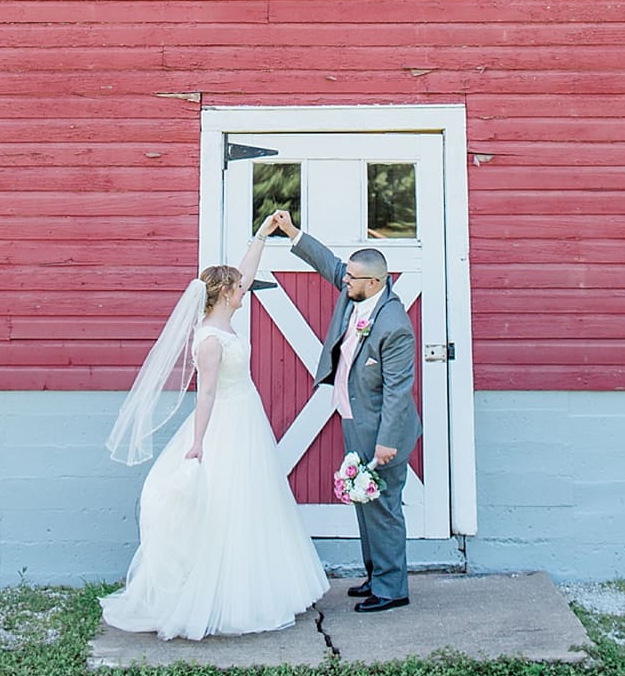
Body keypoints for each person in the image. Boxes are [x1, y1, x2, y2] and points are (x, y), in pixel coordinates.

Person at [101, 213, 329, 639]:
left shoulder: (224, 322)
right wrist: (199, 442)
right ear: (225, 293)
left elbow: (247, 271)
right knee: (229, 504)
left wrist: (263, 234)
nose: (244, 290)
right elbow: (204, 395)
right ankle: (225, 597)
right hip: (226, 424)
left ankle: (259, 589)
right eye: (238, 288)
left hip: (246, 417)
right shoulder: (209, 339)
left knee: (254, 502)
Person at [271, 208, 422, 612]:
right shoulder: (357, 293)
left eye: (352, 278)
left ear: (374, 282)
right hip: (354, 419)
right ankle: (376, 577)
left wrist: (388, 442)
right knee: (365, 500)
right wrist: (292, 231)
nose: (344, 281)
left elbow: (398, 389)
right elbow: (329, 264)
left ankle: (392, 590)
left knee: (384, 507)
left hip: (381, 429)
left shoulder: (394, 325)